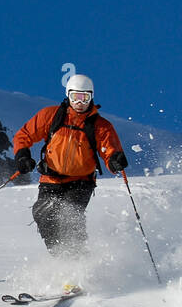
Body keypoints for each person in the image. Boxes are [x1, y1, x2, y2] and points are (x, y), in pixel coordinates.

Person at [12, 74, 127, 257]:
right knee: (43, 212)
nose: (80, 102)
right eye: (75, 97)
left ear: (91, 97)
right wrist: (22, 156)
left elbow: (109, 149)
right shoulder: (51, 116)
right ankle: (62, 258)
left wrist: (114, 160)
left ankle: (78, 257)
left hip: (81, 182)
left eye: (85, 98)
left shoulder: (100, 126)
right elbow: (23, 136)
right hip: (51, 178)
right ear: (68, 95)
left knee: (70, 215)